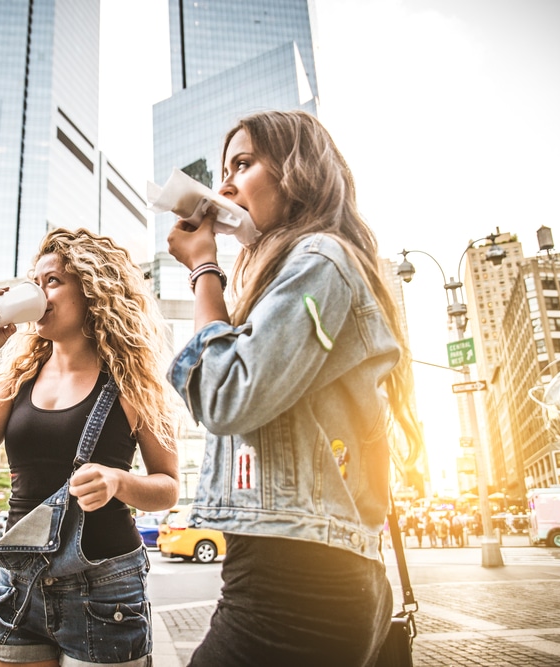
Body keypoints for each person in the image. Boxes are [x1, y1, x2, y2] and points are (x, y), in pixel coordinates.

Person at [166, 109, 422, 665]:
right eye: (222, 169)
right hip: (287, 575)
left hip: (298, 585)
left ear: (297, 171)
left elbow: (225, 394)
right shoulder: (298, 270)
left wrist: (202, 269)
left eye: (243, 163)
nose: (225, 186)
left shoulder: (320, 262)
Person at [0, 228, 180, 666]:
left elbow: (168, 486)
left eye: (53, 281)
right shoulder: (19, 377)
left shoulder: (133, 383)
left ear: (93, 290)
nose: (40, 293)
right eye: (35, 283)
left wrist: (119, 481)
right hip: (18, 585)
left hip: (105, 587)